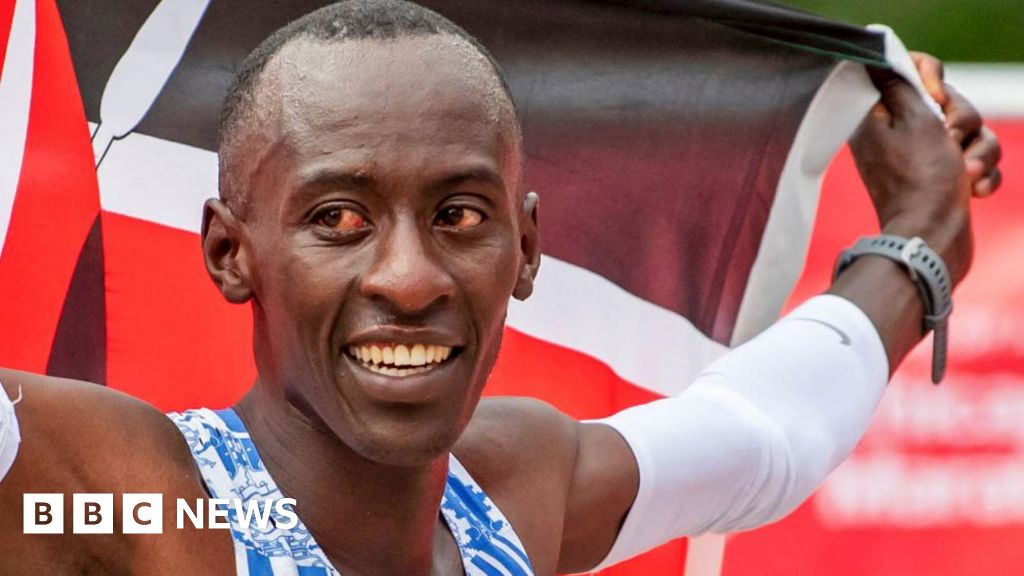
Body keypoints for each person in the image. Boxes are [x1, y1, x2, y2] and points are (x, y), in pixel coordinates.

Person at [0, 1, 1004, 574]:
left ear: (525, 249)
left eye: (460, 215)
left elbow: (765, 437)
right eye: (337, 218)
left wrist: (923, 234)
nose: (408, 278)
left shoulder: (513, 496)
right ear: (229, 252)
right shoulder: (130, 506)